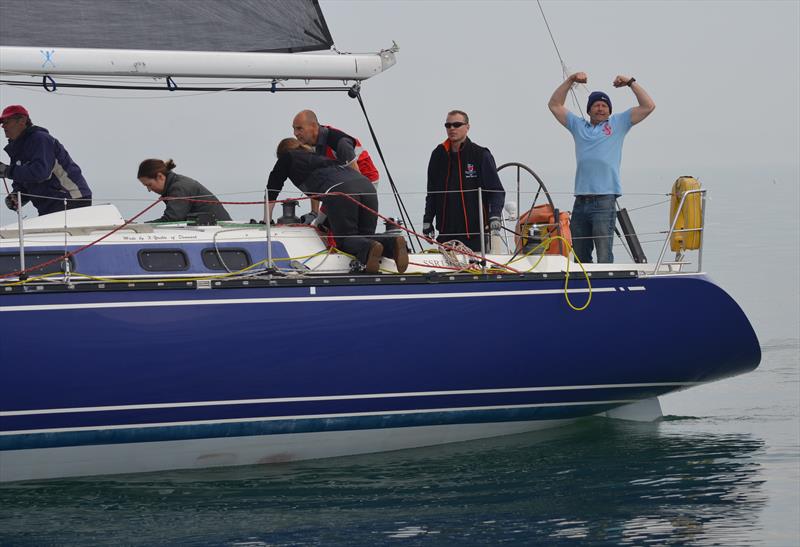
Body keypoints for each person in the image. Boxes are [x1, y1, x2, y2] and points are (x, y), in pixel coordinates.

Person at [548, 72, 655, 263]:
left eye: (604, 105)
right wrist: (571, 80)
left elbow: (648, 106)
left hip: (605, 201)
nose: (600, 108)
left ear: (609, 111)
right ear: (589, 110)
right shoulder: (578, 126)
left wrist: (630, 83)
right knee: (579, 257)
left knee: (604, 256)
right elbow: (554, 105)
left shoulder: (618, 123)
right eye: (596, 105)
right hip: (580, 201)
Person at [267, 138, 407, 274]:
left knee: (345, 239)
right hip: (366, 185)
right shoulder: (319, 156)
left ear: (282, 154)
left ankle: (370, 248)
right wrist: (317, 215)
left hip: (341, 190)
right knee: (364, 236)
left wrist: (266, 220)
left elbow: (272, 187)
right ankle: (393, 242)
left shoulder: (287, 157)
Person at [422, 110, 505, 252]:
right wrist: (427, 220)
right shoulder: (437, 155)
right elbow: (432, 193)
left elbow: (496, 190)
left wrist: (495, 216)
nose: (452, 128)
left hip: (475, 236)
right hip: (446, 235)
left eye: (457, 124)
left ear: (467, 127)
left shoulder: (480, 154)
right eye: (448, 125)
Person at [0, 105, 92, 216]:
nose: (3, 127)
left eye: (7, 122)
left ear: (22, 121)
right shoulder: (18, 149)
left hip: (71, 199)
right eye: (2, 123)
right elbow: (25, 181)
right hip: (52, 205)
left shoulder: (40, 139)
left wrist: (7, 171)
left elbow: (40, 172)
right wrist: (17, 196)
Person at [292, 110, 379, 221]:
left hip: (366, 180)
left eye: (299, 128)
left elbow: (358, 181)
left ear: (313, 126)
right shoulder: (309, 145)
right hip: (341, 185)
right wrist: (314, 213)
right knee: (320, 225)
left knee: (338, 225)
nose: (295, 133)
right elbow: (316, 181)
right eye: (294, 128)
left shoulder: (339, 143)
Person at [137, 159, 231, 223]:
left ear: (160, 176)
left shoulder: (179, 188)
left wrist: (140, 226)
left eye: (149, 185)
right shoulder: (176, 184)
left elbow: (172, 219)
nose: (149, 190)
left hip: (220, 231)